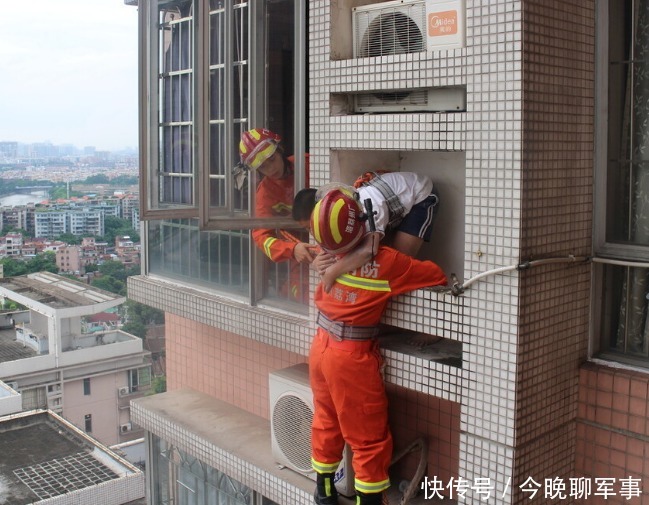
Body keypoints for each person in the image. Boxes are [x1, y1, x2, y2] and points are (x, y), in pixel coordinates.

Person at [308, 187, 448, 505]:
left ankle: (324, 491)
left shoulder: (326, 256)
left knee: (327, 419)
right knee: (368, 438)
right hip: (351, 359)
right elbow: (437, 276)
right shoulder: (388, 263)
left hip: (320, 347)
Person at [293, 171, 439, 292]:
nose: (312, 233)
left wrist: (332, 272)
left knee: (398, 259)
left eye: (310, 227)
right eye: (307, 229)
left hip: (420, 194)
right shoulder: (331, 212)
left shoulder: (366, 207)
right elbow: (333, 246)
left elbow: (368, 251)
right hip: (390, 206)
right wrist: (318, 262)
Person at [238, 128, 317, 301]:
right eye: (263, 166)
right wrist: (292, 249)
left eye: (272, 159)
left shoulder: (307, 163)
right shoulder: (265, 193)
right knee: (300, 294)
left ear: (279, 150)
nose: (270, 168)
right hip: (303, 251)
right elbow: (260, 236)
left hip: (335, 238)